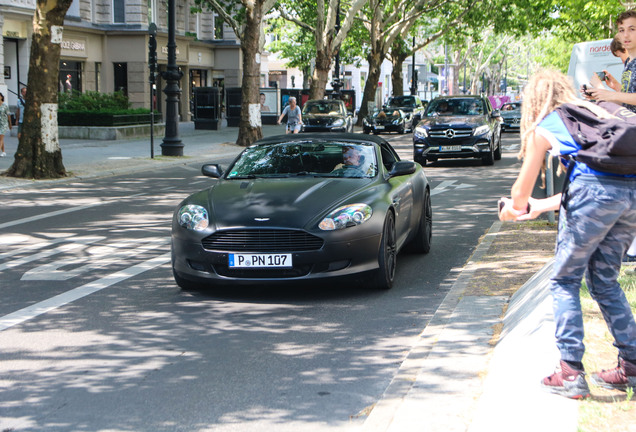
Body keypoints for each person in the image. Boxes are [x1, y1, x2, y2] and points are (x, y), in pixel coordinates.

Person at [498, 69, 636, 399]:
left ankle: (570, 372)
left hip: (596, 197)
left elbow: (521, 193)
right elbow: (602, 185)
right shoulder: (600, 115)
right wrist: (541, 207)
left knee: (564, 280)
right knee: (604, 279)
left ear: (535, 100)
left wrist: (511, 208)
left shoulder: (551, 123)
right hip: (630, 196)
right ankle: (631, 364)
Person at [0, 92, 12, 157]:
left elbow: (8, 115)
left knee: (1, 137)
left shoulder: (5, 105)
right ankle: (3, 151)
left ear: (1, 97)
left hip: (4, 123)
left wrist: (10, 124)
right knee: (0, 138)